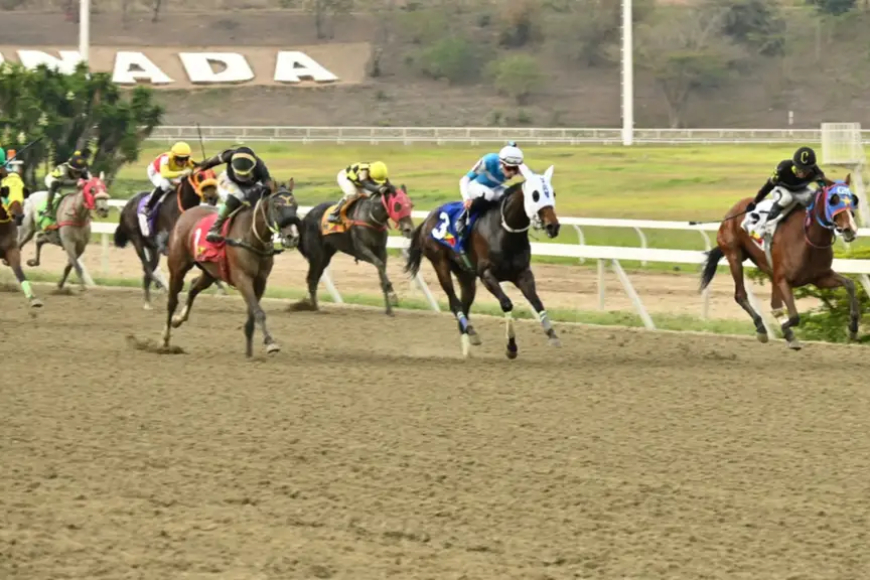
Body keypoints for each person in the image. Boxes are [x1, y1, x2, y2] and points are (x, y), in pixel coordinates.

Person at [454, 142, 528, 263]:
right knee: (489, 194)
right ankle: (463, 219)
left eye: (515, 170)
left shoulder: (517, 165)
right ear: (501, 163)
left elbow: (533, 178)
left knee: (511, 196)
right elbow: (464, 179)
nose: (512, 173)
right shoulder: (489, 160)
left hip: (494, 188)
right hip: (475, 186)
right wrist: (466, 198)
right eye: (509, 168)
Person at [748, 146, 834, 238]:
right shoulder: (783, 168)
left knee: (814, 197)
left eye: (806, 170)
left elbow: (825, 186)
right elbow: (768, 186)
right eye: (800, 169)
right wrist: (755, 201)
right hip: (781, 188)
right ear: (794, 165)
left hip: (800, 189)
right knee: (787, 198)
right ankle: (764, 225)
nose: (803, 173)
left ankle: (811, 224)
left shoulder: (816, 171)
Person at [196, 145, 275, 243]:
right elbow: (212, 161)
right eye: (240, 173)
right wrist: (199, 167)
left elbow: (268, 182)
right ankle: (214, 228)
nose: (241, 176)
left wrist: (271, 191)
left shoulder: (260, 167)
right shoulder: (229, 155)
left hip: (249, 184)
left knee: (260, 200)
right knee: (237, 196)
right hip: (228, 181)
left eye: (245, 174)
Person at [140, 141, 196, 235]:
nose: (183, 162)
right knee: (165, 184)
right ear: (174, 157)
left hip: (172, 172)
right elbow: (165, 174)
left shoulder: (188, 161)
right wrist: (182, 173)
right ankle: (148, 207)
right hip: (156, 172)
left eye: (185, 159)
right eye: (180, 159)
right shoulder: (166, 159)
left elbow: (197, 168)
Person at [44, 150, 90, 221]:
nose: (77, 174)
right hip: (56, 180)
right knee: (55, 184)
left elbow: (90, 181)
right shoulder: (63, 168)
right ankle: (48, 208)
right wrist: (77, 181)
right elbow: (64, 182)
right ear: (70, 168)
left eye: (79, 172)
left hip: (70, 181)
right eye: (75, 171)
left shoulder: (84, 170)